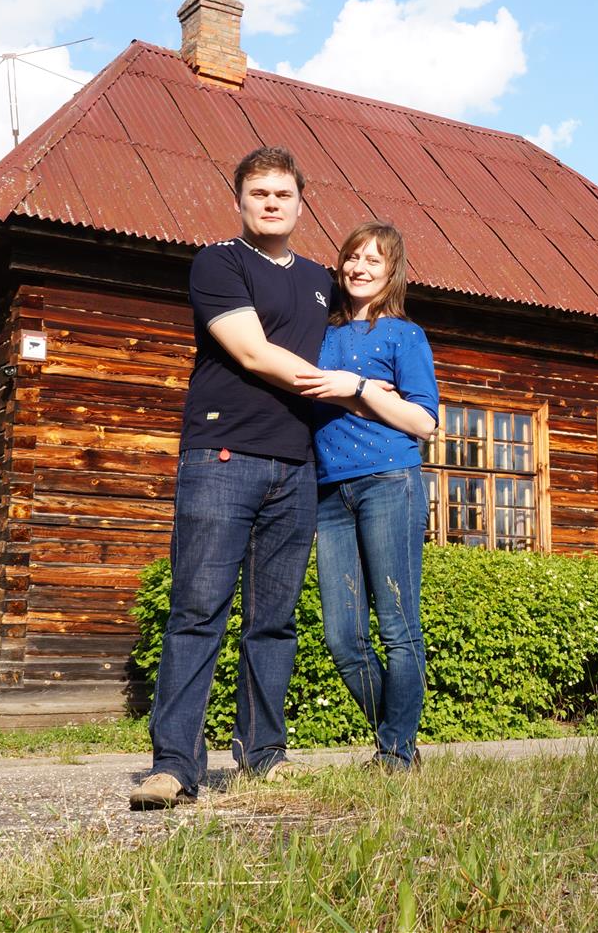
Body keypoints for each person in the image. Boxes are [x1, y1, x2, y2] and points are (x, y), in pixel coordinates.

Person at [130, 146, 361, 810]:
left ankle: (264, 753)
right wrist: (355, 391)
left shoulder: (321, 279)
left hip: (296, 464)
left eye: (282, 193)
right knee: (199, 610)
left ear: (299, 202)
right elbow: (254, 352)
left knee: (275, 621)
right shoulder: (220, 262)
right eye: (258, 192)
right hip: (222, 457)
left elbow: (373, 304)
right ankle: (175, 764)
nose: (269, 202)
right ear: (239, 200)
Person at [295, 222, 439, 771]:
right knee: (342, 639)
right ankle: (397, 737)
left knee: (399, 626)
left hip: (389, 485)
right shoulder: (322, 335)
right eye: (352, 258)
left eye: (373, 260)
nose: (359, 268)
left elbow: (423, 421)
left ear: (391, 271)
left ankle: (396, 754)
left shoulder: (404, 335)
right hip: (330, 493)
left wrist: (356, 389)